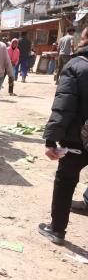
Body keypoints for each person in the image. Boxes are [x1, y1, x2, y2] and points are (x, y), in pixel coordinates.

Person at [40, 27, 88, 245]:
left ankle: (57, 229)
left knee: (66, 180)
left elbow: (63, 106)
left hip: (77, 138)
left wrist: (51, 139)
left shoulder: (76, 66)